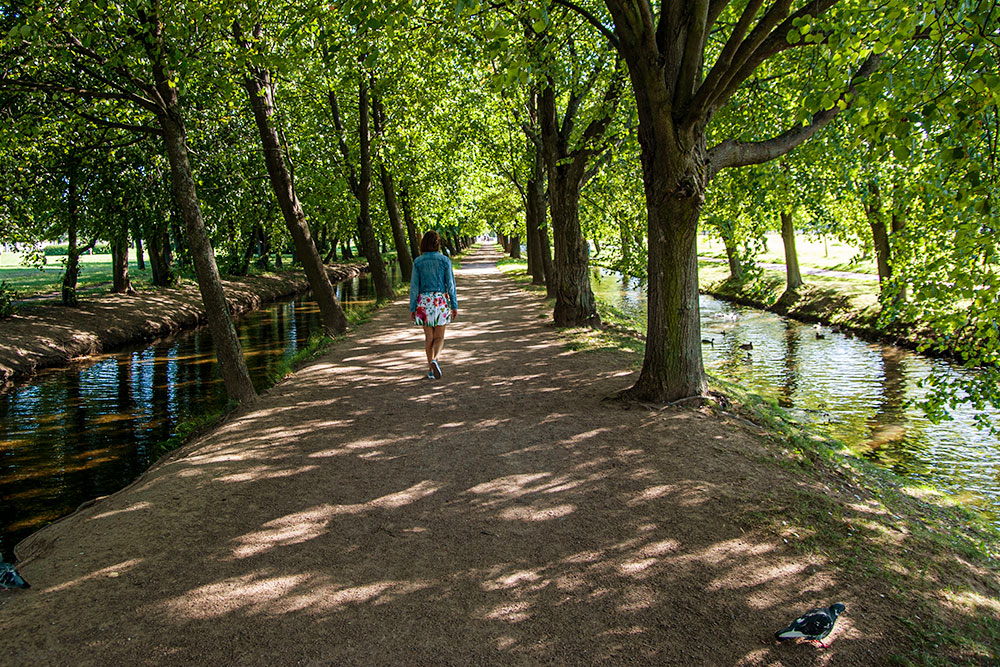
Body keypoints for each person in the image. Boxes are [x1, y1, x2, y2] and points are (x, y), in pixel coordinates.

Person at [410, 230, 458, 379]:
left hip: (424, 301)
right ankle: (435, 359)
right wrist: (454, 305)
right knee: (440, 337)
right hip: (440, 300)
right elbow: (450, 284)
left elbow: (414, 287)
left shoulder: (418, 261)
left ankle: (431, 370)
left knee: (428, 338)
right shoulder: (444, 260)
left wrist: (412, 308)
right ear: (437, 244)